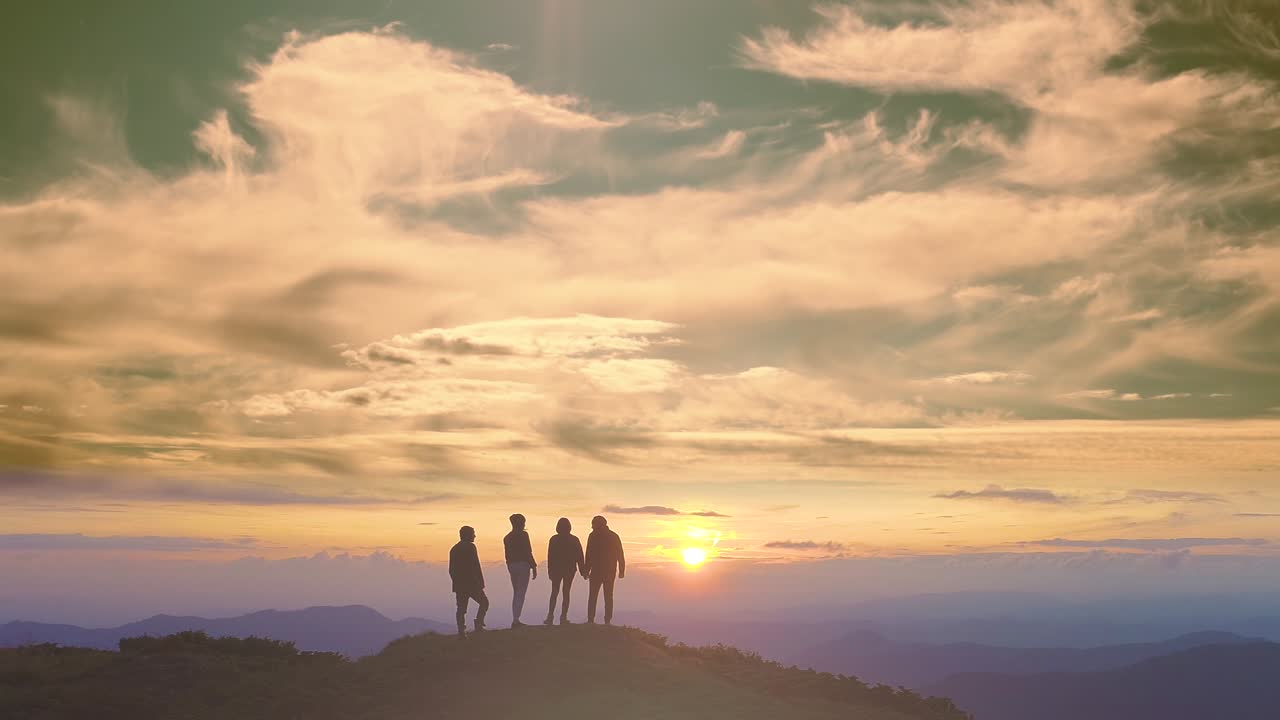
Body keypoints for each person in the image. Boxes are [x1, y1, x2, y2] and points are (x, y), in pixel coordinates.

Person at [583, 515, 625, 625]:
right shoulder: (613, 536)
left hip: (598, 570)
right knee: (608, 596)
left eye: (593, 524)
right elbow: (620, 554)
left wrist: (586, 570)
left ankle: (591, 620)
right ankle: (606, 621)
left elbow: (589, 554)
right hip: (609, 570)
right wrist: (621, 570)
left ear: (598, 524)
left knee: (593, 595)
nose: (592, 527)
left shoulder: (593, 536)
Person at [544, 517, 584, 625]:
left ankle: (550, 616)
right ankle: (563, 617)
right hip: (570, 569)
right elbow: (580, 556)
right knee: (566, 592)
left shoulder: (554, 539)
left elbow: (550, 556)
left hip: (556, 569)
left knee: (554, 592)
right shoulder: (574, 539)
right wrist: (583, 571)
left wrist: (550, 570)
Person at [449, 525, 488, 635]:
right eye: (473, 533)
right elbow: (475, 566)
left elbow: (451, 569)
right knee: (484, 602)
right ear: (466, 535)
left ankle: (461, 630)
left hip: (460, 585)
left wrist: (456, 582)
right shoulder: (471, 547)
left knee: (461, 608)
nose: (475, 536)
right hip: (472, 584)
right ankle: (479, 625)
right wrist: (480, 582)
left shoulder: (454, 549)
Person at [504, 513, 537, 627]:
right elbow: (528, 552)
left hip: (512, 566)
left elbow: (507, 556)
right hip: (523, 565)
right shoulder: (523, 535)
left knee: (516, 592)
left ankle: (515, 619)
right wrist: (534, 566)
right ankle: (516, 620)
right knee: (520, 593)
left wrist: (509, 566)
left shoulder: (507, 537)